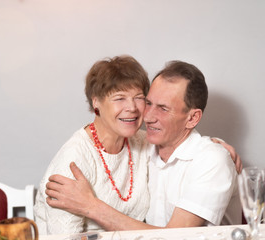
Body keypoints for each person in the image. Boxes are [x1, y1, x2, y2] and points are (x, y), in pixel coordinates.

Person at [45, 60, 241, 231]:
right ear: (96, 102)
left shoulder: (208, 158)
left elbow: (177, 237)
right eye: (148, 103)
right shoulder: (143, 147)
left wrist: (91, 206)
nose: (146, 116)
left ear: (193, 118)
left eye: (163, 108)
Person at [34, 55, 152, 234]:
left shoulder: (144, 142)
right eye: (119, 98)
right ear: (96, 101)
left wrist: (210, 145)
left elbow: (183, 146)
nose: (132, 107)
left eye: (138, 97)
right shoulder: (74, 159)